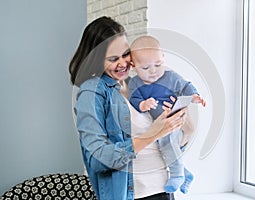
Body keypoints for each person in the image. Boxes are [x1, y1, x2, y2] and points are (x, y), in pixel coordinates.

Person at [69, 16, 187, 200]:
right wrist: (153, 134)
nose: (123, 63)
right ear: (97, 59)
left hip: (165, 189)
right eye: (113, 59)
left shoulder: (137, 85)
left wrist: (176, 125)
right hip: (133, 195)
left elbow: (163, 145)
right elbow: (98, 160)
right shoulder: (92, 93)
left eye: (125, 54)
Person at [128, 35, 206, 194]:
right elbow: (134, 98)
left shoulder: (170, 77)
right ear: (133, 66)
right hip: (160, 125)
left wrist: (194, 96)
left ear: (163, 58)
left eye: (158, 64)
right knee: (163, 148)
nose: (153, 71)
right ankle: (185, 173)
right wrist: (143, 104)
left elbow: (186, 86)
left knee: (168, 143)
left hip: (174, 120)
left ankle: (177, 174)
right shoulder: (135, 83)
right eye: (145, 68)